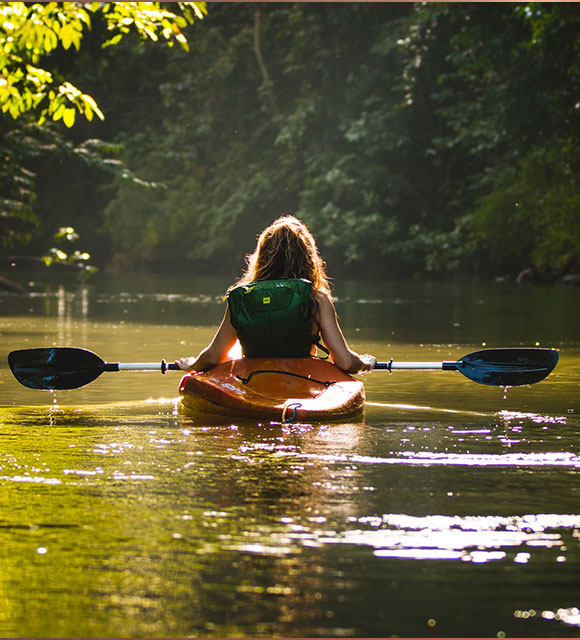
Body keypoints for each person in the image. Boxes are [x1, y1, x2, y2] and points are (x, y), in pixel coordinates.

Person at [176, 215, 376, 374]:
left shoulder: (242, 298)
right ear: (308, 258)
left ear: (262, 256)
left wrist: (193, 364)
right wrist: (365, 362)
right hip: (302, 379)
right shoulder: (316, 299)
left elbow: (213, 357)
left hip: (252, 381)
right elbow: (345, 362)